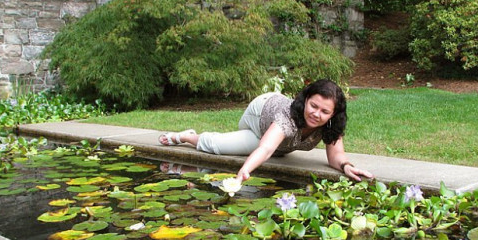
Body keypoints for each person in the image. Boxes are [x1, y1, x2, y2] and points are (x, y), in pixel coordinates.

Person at [158, 79, 374, 183]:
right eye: (313, 106)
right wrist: (245, 170)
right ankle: (187, 136)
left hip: (278, 141)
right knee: (217, 147)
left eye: (324, 111)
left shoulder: (330, 125)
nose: (316, 114)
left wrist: (346, 167)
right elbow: (266, 147)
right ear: (305, 100)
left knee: (277, 148)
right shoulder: (289, 116)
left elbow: (336, 155)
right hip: (259, 114)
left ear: (333, 114)